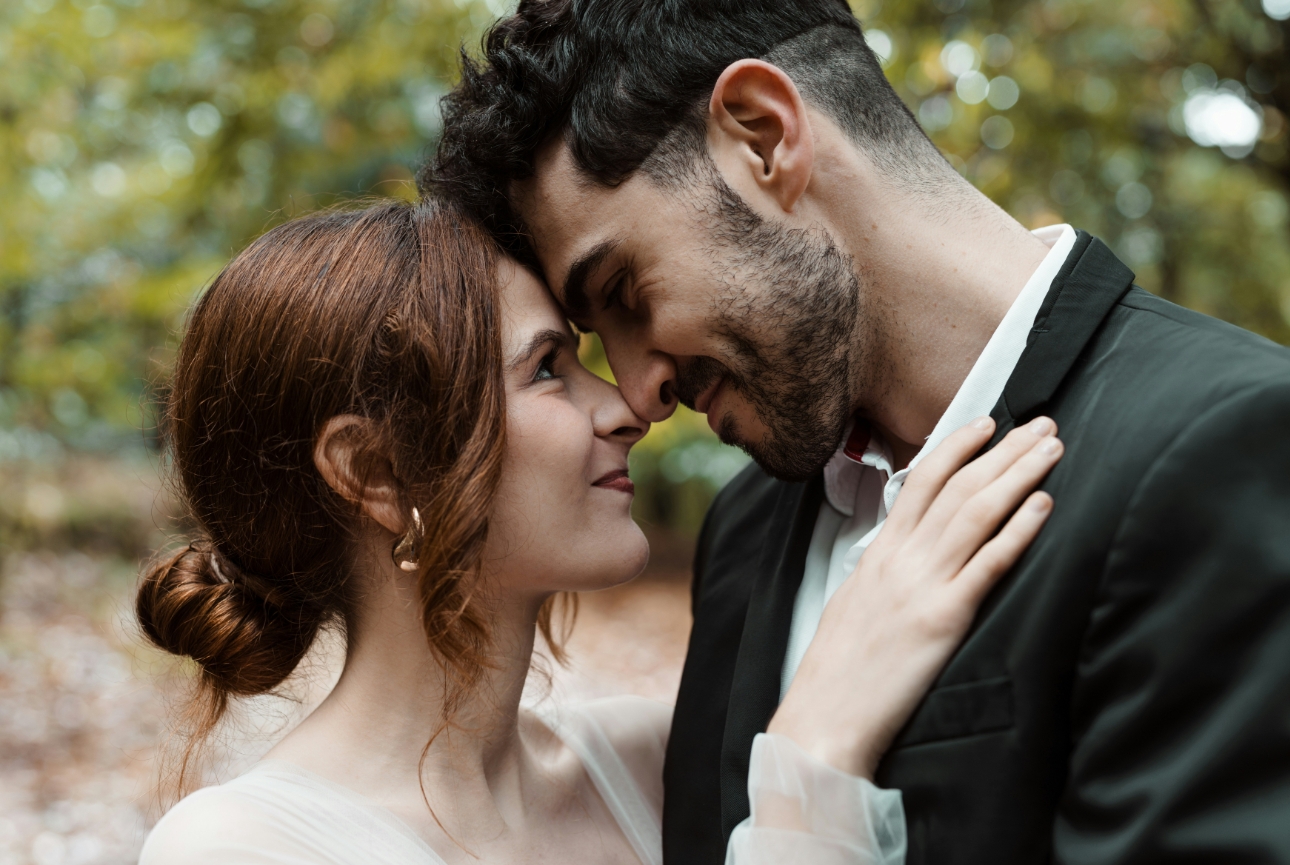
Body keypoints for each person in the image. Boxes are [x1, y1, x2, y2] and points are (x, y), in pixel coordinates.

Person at [427, 1, 1290, 863]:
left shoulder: (1220, 443)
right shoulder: (744, 528)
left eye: (623, 291)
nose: (642, 390)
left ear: (764, 138)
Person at [135, 198, 1062, 864]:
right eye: (546, 370)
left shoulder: (658, 762)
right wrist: (812, 772)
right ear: (375, 472)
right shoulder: (243, 846)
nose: (624, 406)